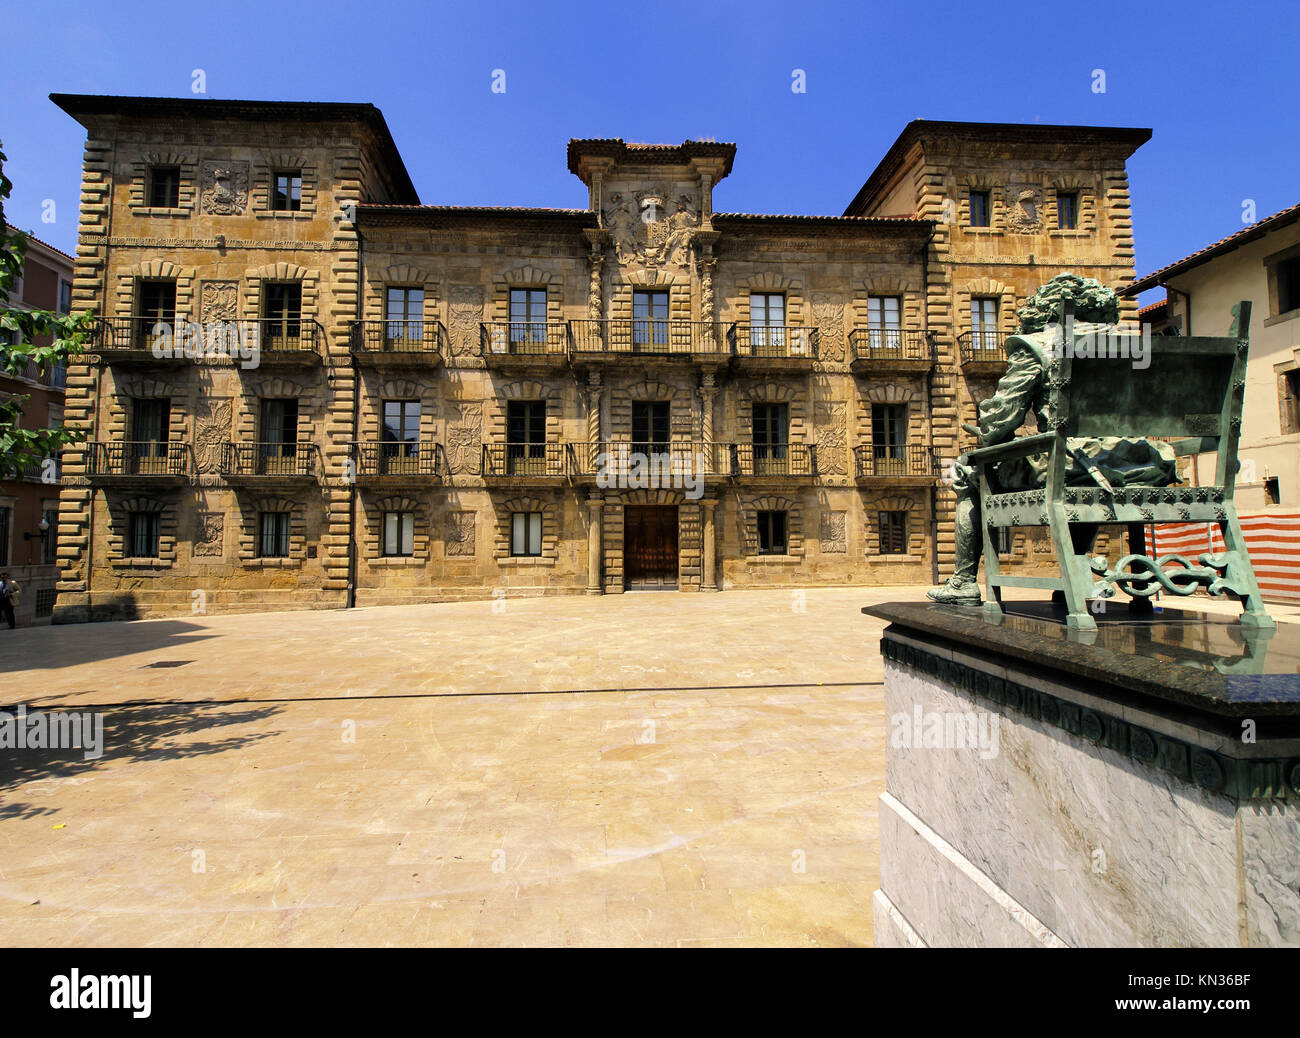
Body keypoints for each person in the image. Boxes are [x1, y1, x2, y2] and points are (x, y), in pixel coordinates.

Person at [928, 274, 1178, 605]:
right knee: (1083, 471)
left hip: (1071, 464)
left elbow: (1000, 419)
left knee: (966, 472)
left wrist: (988, 432)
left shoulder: (1037, 344)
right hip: (1142, 464)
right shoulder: (1134, 346)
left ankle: (963, 582)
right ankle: (1074, 579)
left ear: (1044, 308)